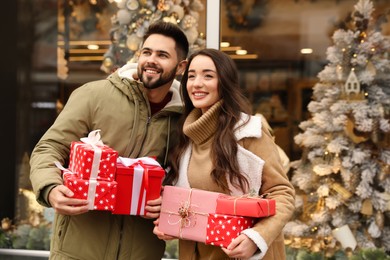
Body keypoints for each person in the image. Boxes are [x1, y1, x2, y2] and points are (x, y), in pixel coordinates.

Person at [29, 21, 189, 260]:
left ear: (180, 67)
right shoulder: (93, 95)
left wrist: (169, 202)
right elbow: (48, 148)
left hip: (141, 253)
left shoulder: (184, 119)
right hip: (78, 250)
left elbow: (186, 179)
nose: (151, 60)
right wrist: (51, 189)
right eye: (146, 52)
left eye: (162, 55)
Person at [154, 48, 295, 259]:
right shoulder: (185, 136)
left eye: (208, 75)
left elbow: (282, 193)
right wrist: (169, 220)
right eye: (191, 76)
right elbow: (192, 202)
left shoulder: (248, 131)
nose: (197, 83)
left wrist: (255, 238)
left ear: (225, 83)